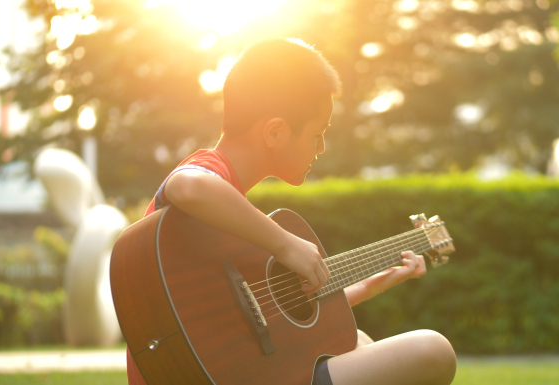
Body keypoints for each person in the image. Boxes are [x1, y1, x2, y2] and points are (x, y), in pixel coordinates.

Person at [126, 38, 456, 385]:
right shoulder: (208, 172)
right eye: (318, 133)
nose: (322, 147)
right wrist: (285, 244)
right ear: (275, 132)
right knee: (431, 350)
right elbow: (186, 185)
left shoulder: (227, 217)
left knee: (357, 342)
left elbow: (271, 308)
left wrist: (373, 282)